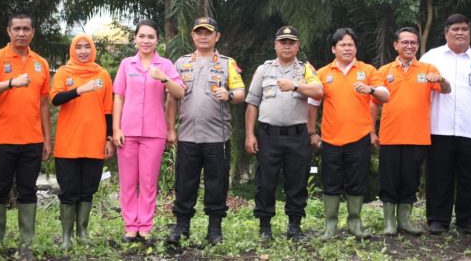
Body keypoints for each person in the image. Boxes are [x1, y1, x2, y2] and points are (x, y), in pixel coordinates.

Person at [0, 12, 51, 256]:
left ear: (33, 32)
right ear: (8, 31)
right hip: (2, 139)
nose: (21, 33)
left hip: (32, 140)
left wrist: (47, 139)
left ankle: (26, 242)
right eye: (16, 28)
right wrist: (10, 83)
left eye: (26, 29)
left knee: (28, 190)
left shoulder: (41, 63)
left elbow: (43, 105)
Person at [419, 14, 471, 234]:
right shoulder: (431, 57)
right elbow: (418, 85)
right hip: (440, 127)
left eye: (464, 29)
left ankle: (468, 221)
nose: (460, 33)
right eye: (455, 29)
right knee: (438, 175)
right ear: (446, 32)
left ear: (470, 32)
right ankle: (437, 219)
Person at [165, 17, 245, 245]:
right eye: (198, 32)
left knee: (216, 183)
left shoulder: (227, 63)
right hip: (188, 135)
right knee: (184, 183)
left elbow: (241, 92)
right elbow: (171, 99)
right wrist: (170, 129)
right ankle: (182, 226)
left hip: (217, 137)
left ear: (216, 36)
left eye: (208, 32)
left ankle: (214, 229)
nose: (203, 36)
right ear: (193, 35)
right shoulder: (181, 63)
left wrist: (228, 95)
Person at [307, 28, 389, 240]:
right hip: (330, 139)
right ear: (334, 49)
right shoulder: (323, 73)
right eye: (342, 45)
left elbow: (385, 95)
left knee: (357, 181)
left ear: (356, 48)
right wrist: (312, 133)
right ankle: (330, 226)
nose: (347, 48)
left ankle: (355, 223)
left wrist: (370, 90)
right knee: (330, 183)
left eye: (350, 44)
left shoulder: (368, 70)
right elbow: (313, 103)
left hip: (359, 138)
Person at [245, 26, 323, 241]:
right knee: (265, 181)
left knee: (297, 181)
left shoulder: (305, 70)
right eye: (283, 42)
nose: (287, 46)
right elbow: (252, 103)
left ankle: (295, 226)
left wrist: (296, 86)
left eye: (291, 42)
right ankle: (264, 227)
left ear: (297, 45)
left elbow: (319, 91)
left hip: (298, 135)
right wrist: (250, 135)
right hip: (268, 135)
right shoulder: (264, 69)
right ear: (275, 45)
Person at [371, 27, 450, 236]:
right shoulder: (384, 71)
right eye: (405, 42)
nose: (409, 46)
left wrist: (441, 80)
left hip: (417, 136)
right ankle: (389, 222)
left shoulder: (427, 69)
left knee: (410, 180)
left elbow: (446, 90)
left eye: (413, 42)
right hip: (389, 136)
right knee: (388, 179)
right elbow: (374, 103)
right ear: (396, 45)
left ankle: (404, 220)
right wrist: (372, 131)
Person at [112, 19, 185, 242]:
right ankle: (130, 226)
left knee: (148, 182)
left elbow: (180, 92)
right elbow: (118, 97)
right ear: (135, 39)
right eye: (142, 36)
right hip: (128, 131)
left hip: (154, 132)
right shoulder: (127, 64)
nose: (146, 40)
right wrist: (116, 129)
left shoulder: (165, 65)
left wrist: (163, 78)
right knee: (127, 181)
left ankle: (144, 226)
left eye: (150, 37)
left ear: (157, 41)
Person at [50, 34, 114, 249]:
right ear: (72, 50)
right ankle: (67, 236)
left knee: (88, 188)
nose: (84, 51)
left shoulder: (102, 75)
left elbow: (108, 110)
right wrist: (80, 89)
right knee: (69, 189)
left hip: (94, 142)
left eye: (87, 47)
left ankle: (82, 232)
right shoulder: (63, 72)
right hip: (68, 143)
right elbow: (55, 99)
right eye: (79, 47)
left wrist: (108, 139)